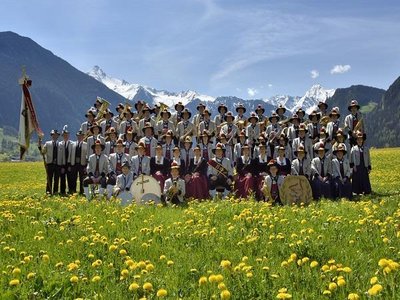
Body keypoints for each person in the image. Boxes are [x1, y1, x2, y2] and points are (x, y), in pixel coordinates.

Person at [38, 129, 62, 195]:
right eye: (53, 135)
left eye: (56, 135)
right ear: (52, 136)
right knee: (49, 179)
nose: (55, 136)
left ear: (58, 136)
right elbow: (42, 152)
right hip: (50, 164)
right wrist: (39, 145)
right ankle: (48, 192)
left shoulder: (61, 144)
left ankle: (55, 192)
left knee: (56, 179)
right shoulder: (47, 143)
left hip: (58, 164)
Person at [69, 130, 88, 195]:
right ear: (77, 136)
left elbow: (87, 155)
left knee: (82, 178)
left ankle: (82, 191)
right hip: (74, 164)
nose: (80, 137)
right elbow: (70, 154)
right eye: (78, 136)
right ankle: (73, 190)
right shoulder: (73, 144)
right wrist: (70, 164)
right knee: (73, 178)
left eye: (81, 136)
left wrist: (86, 165)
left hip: (82, 164)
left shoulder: (86, 144)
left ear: (83, 137)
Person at [59, 125, 73, 195]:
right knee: (62, 179)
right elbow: (59, 156)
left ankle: (71, 191)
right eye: (64, 135)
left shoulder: (72, 144)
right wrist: (62, 166)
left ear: (69, 135)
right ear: (62, 136)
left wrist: (70, 165)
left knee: (70, 178)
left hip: (69, 164)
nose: (66, 136)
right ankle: (62, 191)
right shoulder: (60, 144)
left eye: (67, 135)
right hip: (62, 164)